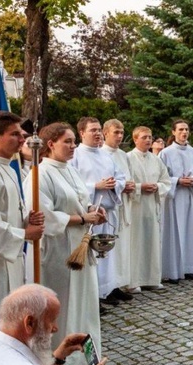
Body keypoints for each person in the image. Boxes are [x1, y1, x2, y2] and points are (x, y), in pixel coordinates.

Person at [24, 122, 104, 365]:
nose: (72, 146)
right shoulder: (39, 174)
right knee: (65, 305)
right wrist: (82, 219)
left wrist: (93, 210)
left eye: (73, 142)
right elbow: (43, 214)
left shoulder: (70, 170)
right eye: (67, 142)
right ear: (50, 144)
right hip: (58, 252)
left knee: (84, 303)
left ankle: (83, 360)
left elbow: (81, 199)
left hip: (80, 246)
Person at [0, 111, 44, 339]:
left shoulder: (9, 169)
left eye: (22, 134)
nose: (22, 140)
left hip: (11, 259)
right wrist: (24, 232)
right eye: (15, 134)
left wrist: (25, 220)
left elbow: (4, 214)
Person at [70, 117, 127, 307]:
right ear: (81, 133)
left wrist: (114, 185)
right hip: (89, 214)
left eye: (98, 130)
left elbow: (121, 177)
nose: (97, 133)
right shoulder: (76, 155)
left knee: (108, 254)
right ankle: (94, 295)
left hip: (108, 210)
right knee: (93, 254)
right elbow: (72, 185)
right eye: (92, 130)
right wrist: (96, 185)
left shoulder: (105, 155)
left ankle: (109, 288)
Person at [126, 127, 171, 291]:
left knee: (152, 241)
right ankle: (134, 281)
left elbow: (166, 181)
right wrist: (139, 187)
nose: (148, 140)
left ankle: (152, 278)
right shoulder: (127, 158)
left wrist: (157, 187)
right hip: (135, 207)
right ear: (135, 139)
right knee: (135, 243)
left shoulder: (156, 159)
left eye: (150, 137)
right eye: (144, 137)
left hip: (152, 205)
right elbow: (125, 183)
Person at [159, 119, 193, 284]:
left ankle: (190, 268)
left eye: (186, 129)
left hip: (189, 196)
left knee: (190, 232)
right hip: (174, 199)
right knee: (173, 233)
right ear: (173, 132)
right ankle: (173, 271)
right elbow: (161, 177)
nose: (184, 133)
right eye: (181, 130)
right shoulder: (166, 153)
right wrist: (177, 181)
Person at [101, 119, 136, 298]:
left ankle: (119, 283)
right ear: (105, 132)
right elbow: (106, 181)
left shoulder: (123, 155)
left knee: (122, 246)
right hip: (109, 207)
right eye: (116, 132)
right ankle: (108, 287)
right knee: (109, 247)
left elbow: (126, 177)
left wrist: (129, 185)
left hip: (124, 206)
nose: (120, 136)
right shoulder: (101, 154)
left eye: (122, 133)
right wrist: (121, 186)